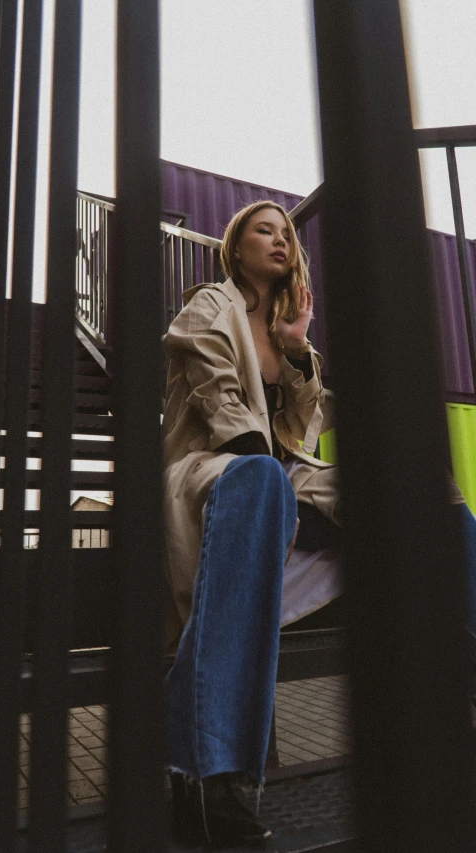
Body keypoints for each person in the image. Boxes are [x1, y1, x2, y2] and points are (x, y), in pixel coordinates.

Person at [163, 200, 476, 846]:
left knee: (431, 494)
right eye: (263, 229)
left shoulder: (287, 332)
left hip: (283, 481)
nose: (280, 240)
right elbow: (219, 397)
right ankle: (205, 775)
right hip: (211, 474)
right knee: (262, 479)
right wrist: (264, 463)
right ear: (235, 243)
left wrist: (299, 350)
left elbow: (304, 428)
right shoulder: (207, 307)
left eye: (286, 233)